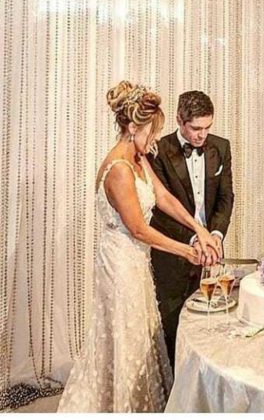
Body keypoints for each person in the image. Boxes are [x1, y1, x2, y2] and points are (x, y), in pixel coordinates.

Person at [57, 81, 220, 413]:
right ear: (132, 127)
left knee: (140, 334)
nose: (154, 138)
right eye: (150, 131)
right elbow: (139, 229)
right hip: (119, 262)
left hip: (135, 260)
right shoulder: (118, 169)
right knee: (126, 336)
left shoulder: (138, 156)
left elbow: (162, 198)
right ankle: (123, 405)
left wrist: (199, 228)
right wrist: (187, 250)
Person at [149, 90, 234, 368]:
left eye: (207, 128)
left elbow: (225, 198)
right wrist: (193, 238)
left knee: (210, 320)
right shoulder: (158, 150)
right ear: (179, 120)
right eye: (196, 128)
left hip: (211, 250)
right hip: (173, 251)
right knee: (173, 321)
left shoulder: (220, 147)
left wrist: (216, 235)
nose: (202, 136)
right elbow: (161, 208)